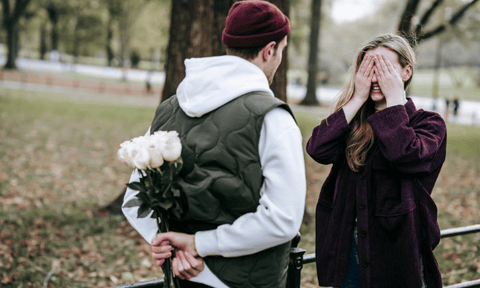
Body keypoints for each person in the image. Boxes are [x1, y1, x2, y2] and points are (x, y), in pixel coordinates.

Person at [122, 1, 306, 288]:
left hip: (186, 276)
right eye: (281, 50)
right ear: (270, 50)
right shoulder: (273, 117)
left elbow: (135, 200)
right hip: (248, 280)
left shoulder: (171, 107)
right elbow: (283, 219)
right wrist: (197, 244)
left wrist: (171, 246)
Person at [306, 34, 446, 288]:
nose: (375, 77)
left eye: (385, 69)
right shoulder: (353, 123)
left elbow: (405, 155)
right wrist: (357, 98)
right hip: (349, 256)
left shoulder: (429, 124)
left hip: (398, 257)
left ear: (406, 72)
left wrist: (394, 102)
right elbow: (317, 149)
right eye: (369, 69)